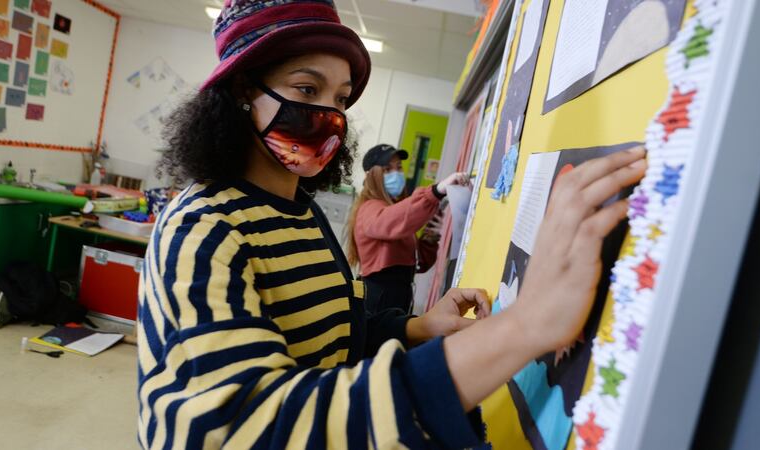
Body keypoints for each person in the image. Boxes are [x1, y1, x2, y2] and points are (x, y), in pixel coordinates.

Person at [137, 1, 648, 448]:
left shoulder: (301, 213)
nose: (329, 116)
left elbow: (329, 340)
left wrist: (412, 328)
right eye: (306, 88)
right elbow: (238, 430)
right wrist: (528, 324)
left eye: (339, 99)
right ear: (242, 92)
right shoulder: (202, 230)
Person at [345, 144, 470, 314]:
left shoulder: (397, 210)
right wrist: (435, 191)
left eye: (399, 168)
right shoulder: (369, 209)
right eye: (387, 169)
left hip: (399, 295)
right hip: (378, 298)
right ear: (371, 176)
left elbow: (419, 264)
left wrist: (430, 237)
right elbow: (391, 219)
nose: (395, 174)